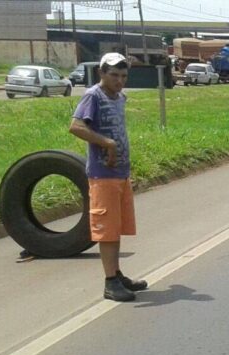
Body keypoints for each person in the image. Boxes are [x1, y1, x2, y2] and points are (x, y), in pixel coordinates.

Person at [68, 53, 148, 302]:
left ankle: (117, 274)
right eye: (114, 75)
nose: (119, 80)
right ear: (101, 73)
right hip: (103, 175)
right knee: (107, 230)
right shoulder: (93, 95)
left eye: (123, 76)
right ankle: (110, 282)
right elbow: (76, 126)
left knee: (116, 228)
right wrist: (108, 143)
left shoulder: (120, 97)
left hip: (120, 173)